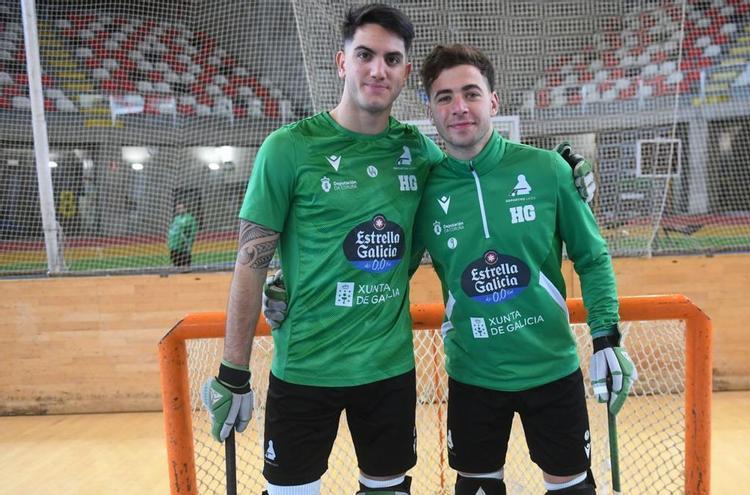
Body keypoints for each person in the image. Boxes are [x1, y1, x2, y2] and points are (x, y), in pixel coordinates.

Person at [201, 5, 443, 494]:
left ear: (404, 73)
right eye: (365, 55)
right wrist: (233, 372)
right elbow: (250, 265)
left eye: (392, 59)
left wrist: (559, 176)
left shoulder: (419, 153)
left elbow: (480, 177)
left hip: (388, 370)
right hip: (306, 369)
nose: (378, 69)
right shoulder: (288, 148)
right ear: (341, 62)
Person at [406, 44, 637, 495]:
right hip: (473, 375)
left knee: (572, 488)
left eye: (471, 93)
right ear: (430, 111)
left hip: (552, 370)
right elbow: (384, 268)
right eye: (444, 97)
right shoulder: (422, 192)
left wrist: (606, 337)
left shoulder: (548, 169)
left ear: (493, 101)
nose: (459, 108)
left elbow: (591, 257)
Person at [167, 202, 198, 267]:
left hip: (184, 246)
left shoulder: (190, 218)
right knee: (176, 266)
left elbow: (193, 231)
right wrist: (170, 241)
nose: (179, 210)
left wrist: (189, 242)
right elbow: (172, 230)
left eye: (180, 208)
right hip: (174, 246)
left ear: (185, 209)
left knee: (185, 266)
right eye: (177, 209)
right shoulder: (176, 219)